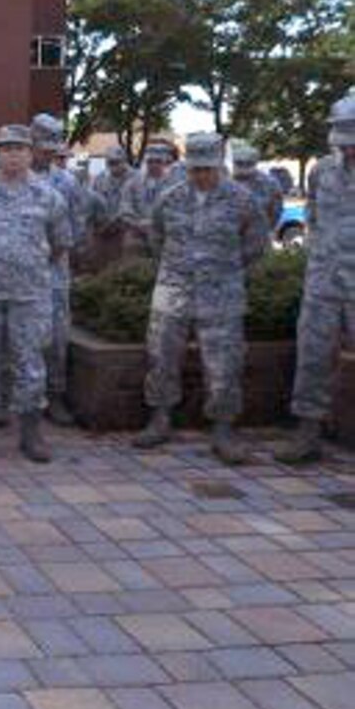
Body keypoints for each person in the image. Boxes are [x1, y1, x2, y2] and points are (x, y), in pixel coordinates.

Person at [132, 132, 266, 465]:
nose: (201, 175)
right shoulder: (170, 198)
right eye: (195, 169)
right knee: (161, 355)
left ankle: (222, 428)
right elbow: (157, 238)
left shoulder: (242, 200)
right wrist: (178, 268)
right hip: (174, 290)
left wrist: (223, 270)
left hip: (221, 293)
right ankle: (160, 417)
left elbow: (255, 244)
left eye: (207, 168)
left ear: (219, 165)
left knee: (224, 364)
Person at [0, 123, 68, 463]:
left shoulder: (49, 196)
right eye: (6, 148)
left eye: (19, 148)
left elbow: (60, 244)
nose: (13, 155)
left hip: (30, 295)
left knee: (29, 361)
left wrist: (25, 266)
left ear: (31, 153)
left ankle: (30, 431)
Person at [277, 93, 355, 465]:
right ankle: (308, 434)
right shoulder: (322, 170)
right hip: (324, 281)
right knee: (312, 356)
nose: (350, 149)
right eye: (345, 141)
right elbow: (315, 217)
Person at [31, 113, 86, 424]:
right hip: (20, 273)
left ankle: (55, 396)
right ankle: (18, 399)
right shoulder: (14, 177)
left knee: (55, 335)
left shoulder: (67, 182)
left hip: (53, 271)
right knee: (19, 337)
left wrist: (55, 252)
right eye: (42, 146)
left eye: (53, 147)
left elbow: (76, 228)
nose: (48, 152)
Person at [88, 146, 133, 271]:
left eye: (117, 162)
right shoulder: (100, 179)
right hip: (103, 233)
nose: (113, 166)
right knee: (102, 270)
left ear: (124, 161)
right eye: (110, 162)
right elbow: (92, 202)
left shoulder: (136, 178)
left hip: (127, 234)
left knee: (125, 271)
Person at [230, 141, 284, 236]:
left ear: (254, 163)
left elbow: (276, 212)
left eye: (247, 163)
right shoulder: (226, 182)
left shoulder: (270, 184)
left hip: (258, 238)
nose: (243, 167)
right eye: (239, 163)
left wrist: (264, 230)